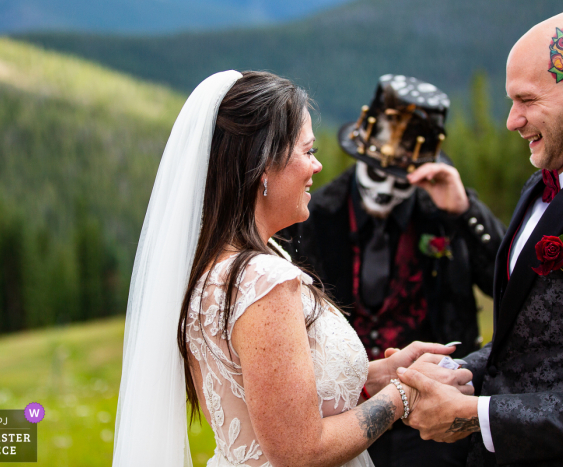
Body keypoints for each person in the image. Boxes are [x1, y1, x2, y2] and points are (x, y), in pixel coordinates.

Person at [112, 70, 473, 467]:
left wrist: (380, 372)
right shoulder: (263, 280)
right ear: (264, 165)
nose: (317, 167)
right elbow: (300, 452)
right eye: (308, 151)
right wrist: (405, 393)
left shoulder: (218, 265)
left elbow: (272, 389)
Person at [397, 9, 563, 467]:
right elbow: (533, 346)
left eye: (525, 100)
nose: (511, 120)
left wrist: (475, 415)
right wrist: (456, 372)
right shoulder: (543, 180)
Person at [279, 74, 504, 467]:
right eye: (376, 173)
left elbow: (508, 282)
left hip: (436, 422)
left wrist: (464, 211)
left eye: (399, 179)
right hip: (345, 415)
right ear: (359, 157)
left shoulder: (443, 212)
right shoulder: (312, 215)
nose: (385, 189)